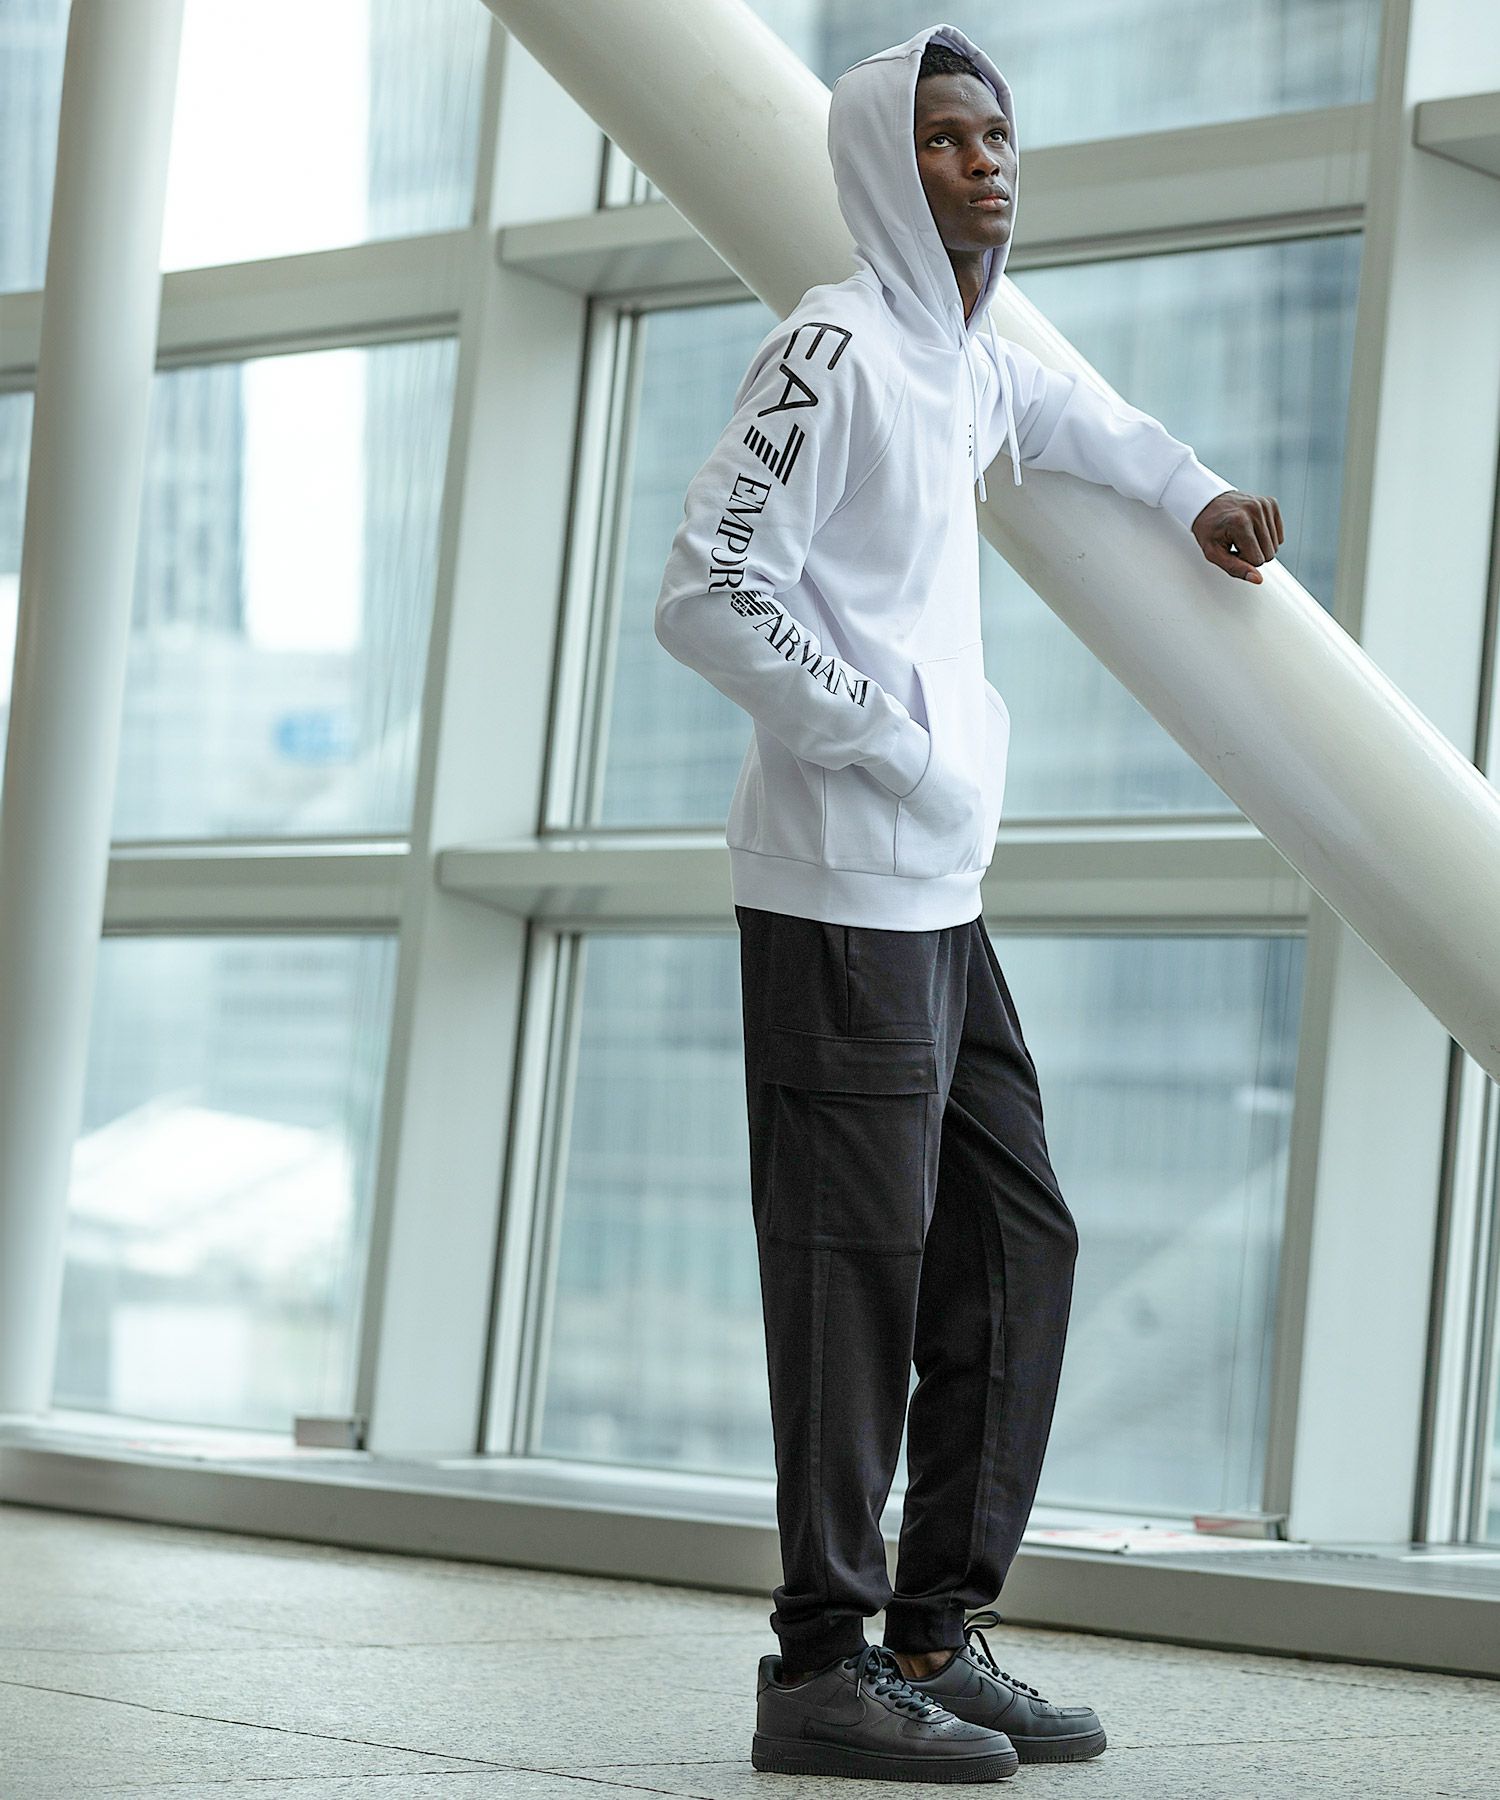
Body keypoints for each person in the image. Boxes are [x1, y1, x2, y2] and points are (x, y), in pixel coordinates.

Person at [653, 20, 1285, 1785]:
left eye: (999, 136)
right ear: (883, 161)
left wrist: (1195, 494)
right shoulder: (833, 348)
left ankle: (933, 1630)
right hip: (840, 890)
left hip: (937, 895)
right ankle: (819, 1667)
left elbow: (1078, 416)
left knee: (1017, 1241)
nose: (985, 163)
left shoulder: (967, 349)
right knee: (852, 1283)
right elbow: (706, 589)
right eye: (945, 138)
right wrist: (896, 746)